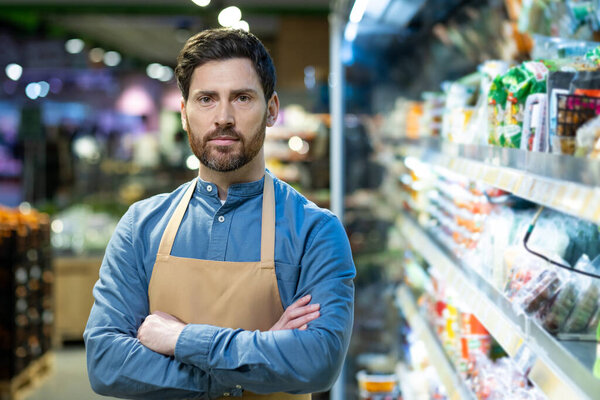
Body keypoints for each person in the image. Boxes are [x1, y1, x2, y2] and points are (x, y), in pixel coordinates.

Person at [84, 28, 355, 399]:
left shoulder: (315, 232)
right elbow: (106, 364)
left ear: (271, 109)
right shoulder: (140, 226)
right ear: (184, 113)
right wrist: (242, 371)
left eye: (242, 98)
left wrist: (178, 338)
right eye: (206, 99)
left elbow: (317, 363)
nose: (223, 117)